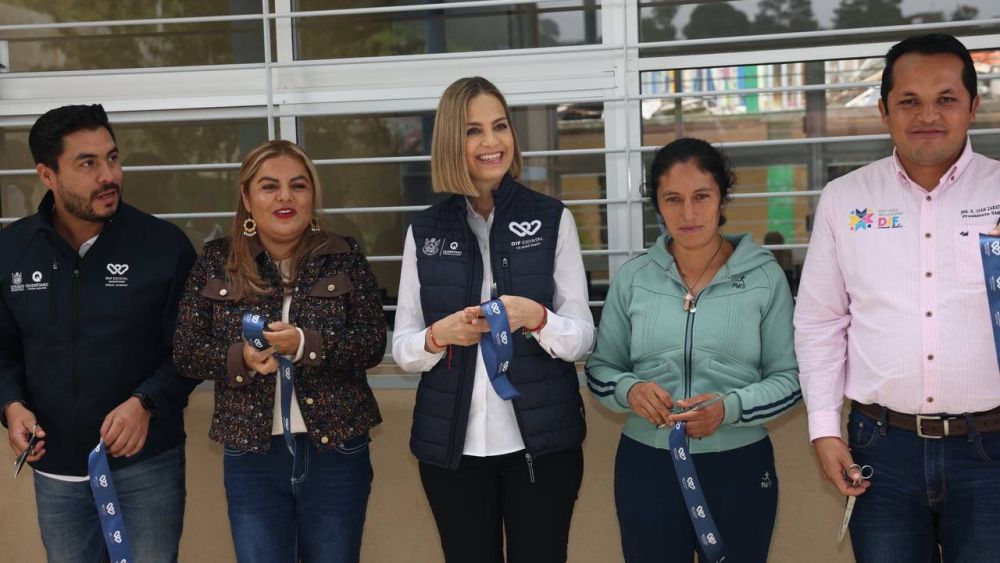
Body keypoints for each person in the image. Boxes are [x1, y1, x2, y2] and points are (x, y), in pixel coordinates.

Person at [795, 33, 1000, 562]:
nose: (926, 114)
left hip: (991, 452)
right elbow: (821, 321)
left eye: (945, 99)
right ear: (884, 110)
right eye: (909, 100)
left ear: (973, 106)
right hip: (880, 451)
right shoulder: (846, 199)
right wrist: (823, 430)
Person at [391, 76, 595, 563]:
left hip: (541, 450)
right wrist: (438, 337)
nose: (491, 142)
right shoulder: (424, 230)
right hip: (451, 454)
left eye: (499, 126)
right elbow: (402, 347)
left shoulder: (551, 218)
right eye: (473, 130)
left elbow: (583, 337)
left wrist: (538, 317)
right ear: (449, 142)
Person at [586, 137, 801, 563]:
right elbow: (599, 368)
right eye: (673, 199)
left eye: (701, 196)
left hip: (738, 463)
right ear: (657, 204)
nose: (688, 213)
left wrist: (731, 408)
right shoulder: (633, 279)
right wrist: (629, 390)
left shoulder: (764, 278)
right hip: (648, 465)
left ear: (722, 197)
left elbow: (791, 379)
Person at [0, 104, 198, 561]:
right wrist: (11, 407)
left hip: (147, 465)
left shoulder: (164, 247)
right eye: (87, 163)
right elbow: (2, 351)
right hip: (57, 476)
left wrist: (146, 402)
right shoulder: (12, 251)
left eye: (112, 158)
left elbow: (190, 351)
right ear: (47, 174)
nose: (108, 175)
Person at [173, 139, 385, 563]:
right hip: (251, 453)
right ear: (247, 199)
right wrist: (241, 359)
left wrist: (306, 345)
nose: (285, 196)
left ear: (312, 196)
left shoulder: (343, 256)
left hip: (336, 449)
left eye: (298, 185)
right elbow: (186, 349)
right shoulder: (217, 261)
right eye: (269, 186)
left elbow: (371, 341)